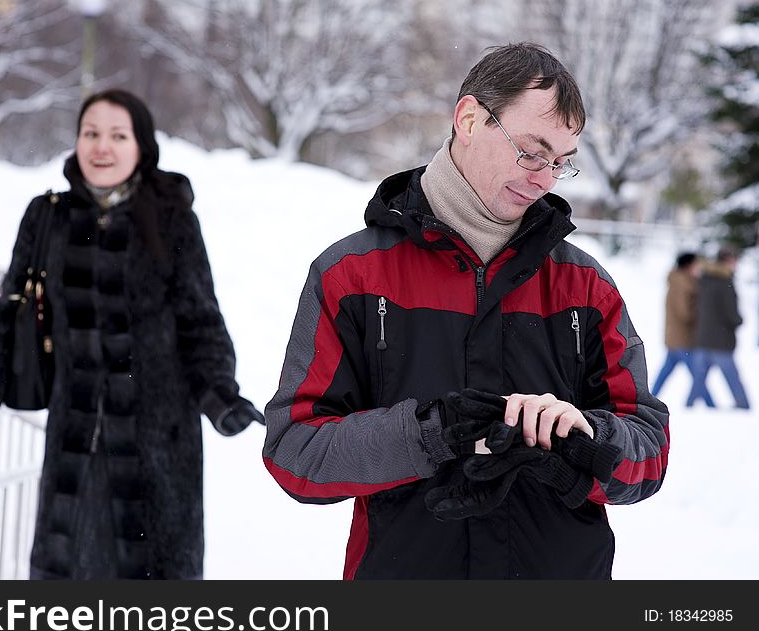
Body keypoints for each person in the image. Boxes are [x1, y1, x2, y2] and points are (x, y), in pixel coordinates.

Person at [263, 43, 669, 579]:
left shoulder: (585, 286)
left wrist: (587, 443)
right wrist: (427, 434)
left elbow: (649, 455)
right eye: (531, 151)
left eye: (561, 163)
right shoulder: (351, 274)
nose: (545, 178)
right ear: (470, 119)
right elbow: (297, 454)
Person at [0, 89, 264, 579]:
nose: (101, 147)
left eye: (117, 135)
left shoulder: (172, 217)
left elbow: (200, 321)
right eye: (91, 133)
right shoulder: (46, 216)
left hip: (159, 441)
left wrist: (221, 396)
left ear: (141, 146)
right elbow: (11, 312)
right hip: (77, 438)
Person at [687, 246, 750, 409]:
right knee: (733, 379)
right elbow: (731, 314)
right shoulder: (724, 282)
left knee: (698, 381)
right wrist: (739, 320)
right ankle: (744, 407)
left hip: (703, 337)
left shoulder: (705, 279)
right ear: (728, 261)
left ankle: (687, 407)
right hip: (720, 340)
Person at [650, 252, 701, 399]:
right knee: (698, 376)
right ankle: (711, 406)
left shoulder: (681, 282)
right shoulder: (682, 284)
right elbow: (684, 313)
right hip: (682, 338)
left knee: (665, 373)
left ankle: (650, 398)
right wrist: (698, 311)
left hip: (676, 337)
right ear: (688, 266)